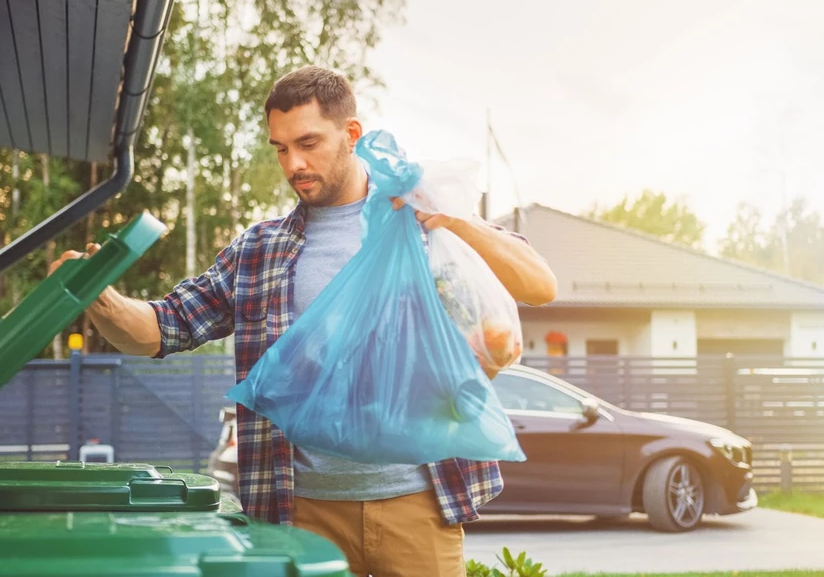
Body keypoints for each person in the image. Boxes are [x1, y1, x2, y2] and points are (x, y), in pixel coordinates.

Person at [50, 66, 557, 576]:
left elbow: (539, 285)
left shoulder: (421, 226)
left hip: (418, 505)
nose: (294, 163)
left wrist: (454, 219)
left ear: (351, 134)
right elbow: (164, 328)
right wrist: (100, 297)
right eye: (280, 148)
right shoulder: (259, 251)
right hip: (300, 512)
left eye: (308, 142)